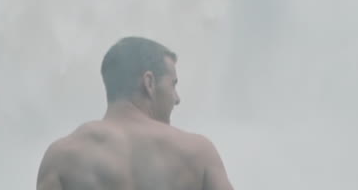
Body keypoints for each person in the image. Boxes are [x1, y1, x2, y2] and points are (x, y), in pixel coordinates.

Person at [35, 36, 235, 190]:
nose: (176, 98)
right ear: (149, 83)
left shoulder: (60, 157)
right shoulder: (198, 152)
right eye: (172, 84)